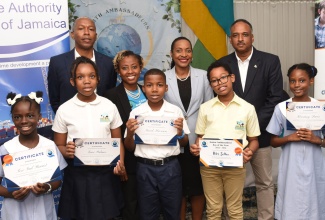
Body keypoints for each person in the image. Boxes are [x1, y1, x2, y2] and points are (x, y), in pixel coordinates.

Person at [218, 19, 283, 220]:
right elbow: (219, 99)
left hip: (260, 135)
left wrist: (251, 127)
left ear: (252, 37)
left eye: (244, 34)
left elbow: (275, 98)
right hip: (231, 137)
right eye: (236, 35)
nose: (240, 39)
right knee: (231, 184)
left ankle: (266, 218)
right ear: (230, 39)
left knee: (264, 183)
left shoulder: (270, 61)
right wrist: (237, 129)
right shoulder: (222, 64)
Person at [52, 56, 125, 219]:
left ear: (98, 79)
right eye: (80, 77)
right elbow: (59, 145)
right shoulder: (65, 110)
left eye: (91, 76)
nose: (87, 81)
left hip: (106, 173)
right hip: (78, 175)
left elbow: (117, 141)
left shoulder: (108, 106)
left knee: (108, 215)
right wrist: (66, 151)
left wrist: (121, 163)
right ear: (72, 81)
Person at [190, 60, 260, 220]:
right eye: (214, 80)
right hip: (209, 168)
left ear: (232, 78)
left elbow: (254, 140)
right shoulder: (205, 108)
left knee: (235, 209)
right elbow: (200, 138)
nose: (219, 83)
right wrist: (196, 147)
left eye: (223, 78)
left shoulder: (247, 108)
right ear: (211, 84)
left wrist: (250, 151)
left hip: (235, 166)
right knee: (213, 209)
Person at [124, 68, 190, 220]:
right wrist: (130, 133)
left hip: (170, 167)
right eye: (149, 85)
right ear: (144, 88)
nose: (154, 89)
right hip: (145, 168)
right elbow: (130, 147)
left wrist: (180, 133)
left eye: (159, 85)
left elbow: (185, 143)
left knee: (173, 212)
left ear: (166, 88)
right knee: (147, 213)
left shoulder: (174, 111)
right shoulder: (136, 113)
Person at [266, 63, 325, 220]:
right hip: (291, 164)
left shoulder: (320, 107)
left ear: (311, 81)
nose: (297, 85)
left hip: (314, 163)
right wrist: (289, 138)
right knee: (290, 204)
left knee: (314, 204)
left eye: (302, 80)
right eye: (293, 81)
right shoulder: (282, 108)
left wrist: (317, 139)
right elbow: (272, 140)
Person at [164, 36, 213, 220]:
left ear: (192, 54)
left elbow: (209, 108)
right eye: (179, 50)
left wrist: (202, 137)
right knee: (178, 187)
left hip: (198, 141)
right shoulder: (163, 77)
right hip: (173, 140)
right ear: (172, 54)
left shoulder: (203, 76)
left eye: (187, 50)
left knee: (197, 186)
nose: (183, 54)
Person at [0, 91, 67, 220]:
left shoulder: (50, 146)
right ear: (13, 119)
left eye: (30, 116)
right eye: (18, 117)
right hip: (15, 212)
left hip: (43, 210)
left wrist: (47, 187)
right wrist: (11, 193)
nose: (24, 121)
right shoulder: (5, 149)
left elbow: (57, 181)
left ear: (39, 117)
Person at [104, 50, 146, 220]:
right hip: (127, 160)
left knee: (149, 205)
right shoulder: (110, 96)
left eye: (134, 67)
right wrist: (118, 162)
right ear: (118, 71)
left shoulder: (148, 90)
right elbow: (107, 130)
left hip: (150, 159)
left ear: (141, 67)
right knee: (130, 206)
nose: (130, 72)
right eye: (125, 68)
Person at [47, 16, 117, 113]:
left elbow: (111, 97)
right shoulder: (57, 63)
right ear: (72, 34)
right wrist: (68, 122)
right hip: (71, 124)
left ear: (96, 36)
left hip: (101, 122)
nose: (87, 32)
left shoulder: (108, 63)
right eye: (81, 28)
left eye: (91, 29)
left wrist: (104, 123)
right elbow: (55, 99)